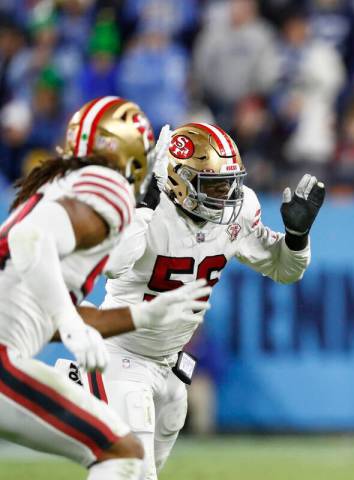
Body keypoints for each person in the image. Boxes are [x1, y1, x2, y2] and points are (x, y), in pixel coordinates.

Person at [95, 121, 325, 479]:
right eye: (214, 185)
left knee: (138, 470)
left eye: (230, 182)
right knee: (132, 473)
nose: (227, 194)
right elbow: (112, 265)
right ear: (177, 180)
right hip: (121, 355)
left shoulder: (239, 209)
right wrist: (141, 207)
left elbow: (284, 270)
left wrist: (296, 237)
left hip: (171, 364)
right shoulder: (148, 206)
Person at [0, 96, 211, 480]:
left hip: (10, 350)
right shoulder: (107, 188)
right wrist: (70, 324)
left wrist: (139, 316)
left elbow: (32, 313)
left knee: (121, 450)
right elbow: (28, 240)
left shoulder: (66, 185)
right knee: (121, 453)